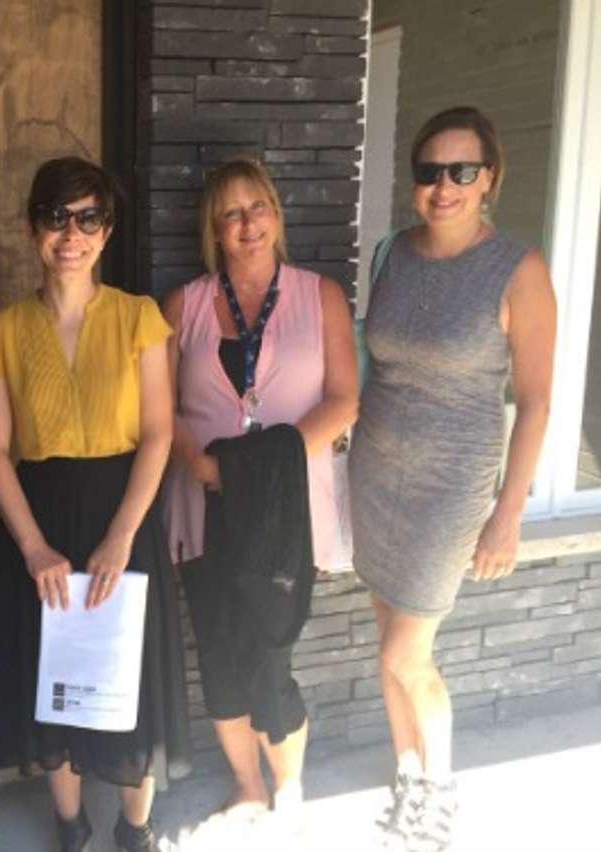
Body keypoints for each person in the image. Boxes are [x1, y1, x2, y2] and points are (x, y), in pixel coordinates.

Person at [350, 106, 556, 850]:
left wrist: (509, 513)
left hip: (452, 484)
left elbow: (534, 404)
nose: (444, 186)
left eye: (461, 171)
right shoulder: (391, 254)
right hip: (376, 470)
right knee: (386, 634)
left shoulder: (519, 270)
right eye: (430, 171)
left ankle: (438, 791)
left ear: (489, 178)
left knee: (406, 652)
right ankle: (407, 774)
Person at [0, 156, 190, 852]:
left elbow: (159, 433)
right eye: (55, 218)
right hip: (39, 523)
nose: (72, 234)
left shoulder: (139, 319)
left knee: (129, 668)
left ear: (108, 229)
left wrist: (124, 534)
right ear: (33, 227)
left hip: (123, 514)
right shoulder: (2, 330)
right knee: (52, 671)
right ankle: (70, 822)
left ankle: (136, 826)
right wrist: (33, 545)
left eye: (88, 218)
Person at [162, 158, 358, 823]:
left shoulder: (320, 295)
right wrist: (200, 464)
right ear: (213, 230)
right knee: (218, 651)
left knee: (273, 655)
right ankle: (248, 786)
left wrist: (263, 466)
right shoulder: (183, 306)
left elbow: (343, 401)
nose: (247, 224)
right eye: (230, 213)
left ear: (276, 214)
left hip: (285, 512)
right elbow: (155, 411)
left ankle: (291, 787)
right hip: (204, 503)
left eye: (258, 207)